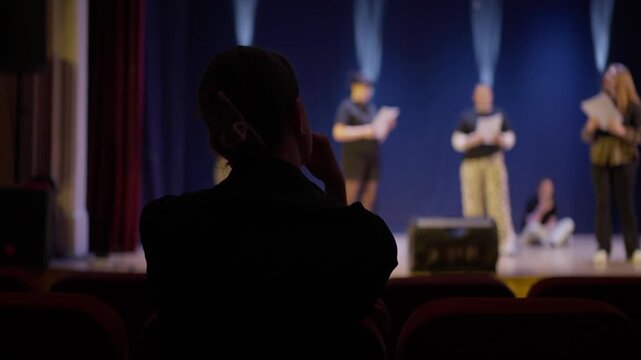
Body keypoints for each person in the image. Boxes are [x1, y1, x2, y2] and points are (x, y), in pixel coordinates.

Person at [139, 46, 398, 358]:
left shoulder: (168, 228)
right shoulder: (365, 239)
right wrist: (334, 184)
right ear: (300, 118)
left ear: (216, 140)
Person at [581, 63, 641, 266]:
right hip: (600, 157)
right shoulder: (601, 103)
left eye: (611, 76)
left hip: (624, 157)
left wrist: (621, 131)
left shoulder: (633, 106)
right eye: (606, 76)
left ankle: (633, 248)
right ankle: (603, 247)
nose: (607, 79)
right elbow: (585, 135)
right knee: (603, 203)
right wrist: (591, 127)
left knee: (626, 204)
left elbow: (638, 136)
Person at [451, 84, 517, 255]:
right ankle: (475, 241)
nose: (483, 98)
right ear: (474, 97)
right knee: (473, 204)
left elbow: (510, 138)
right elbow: (456, 140)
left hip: (493, 161)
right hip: (472, 163)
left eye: (486, 94)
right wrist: (472, 140)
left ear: (491, 96)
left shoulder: (499, 114)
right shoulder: (467, 116)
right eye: (480, 95)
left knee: (498, 203)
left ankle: (503, 240)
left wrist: (500, 138)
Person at [332, 73, 398, 211]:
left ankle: (367, 231)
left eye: (369, 89)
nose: (367, 92)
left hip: (372, 159)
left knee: (369, 200)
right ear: (354, 87)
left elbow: (378, 136)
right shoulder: (347, 107)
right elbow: (337, 132)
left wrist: (387, 126)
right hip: (354, 161)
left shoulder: (371, 108)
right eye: (364, 88)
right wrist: (365, 130)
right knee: (350, 199)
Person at [520, 177, 575, 247]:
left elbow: (553, 222)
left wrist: (551, 225)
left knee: (569, 222)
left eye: (550, 188)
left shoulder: (553, 203)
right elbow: (529, 223)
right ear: (539, 189)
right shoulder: (532, 202)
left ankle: (553, 241)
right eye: (545, 188)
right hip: (535, 232)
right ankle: (555, 241)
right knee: (533, 227)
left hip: (547, 233)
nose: (548, 191)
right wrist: (541, 210)